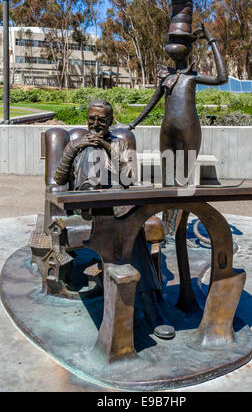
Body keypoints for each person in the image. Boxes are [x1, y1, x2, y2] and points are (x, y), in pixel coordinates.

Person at [54, 99, 175, 340]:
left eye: (101, 120)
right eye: (91, 119)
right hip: (87, 203)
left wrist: (111, 150)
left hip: (116, 205)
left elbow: (129, 180)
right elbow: (58, 180)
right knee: (130, 224)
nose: (95, 124)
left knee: (133, 228)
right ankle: (151, 310)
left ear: (110, 122)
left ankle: (149, 308)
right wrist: (74, 148)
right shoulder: (77, 145)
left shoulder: (117, 144)